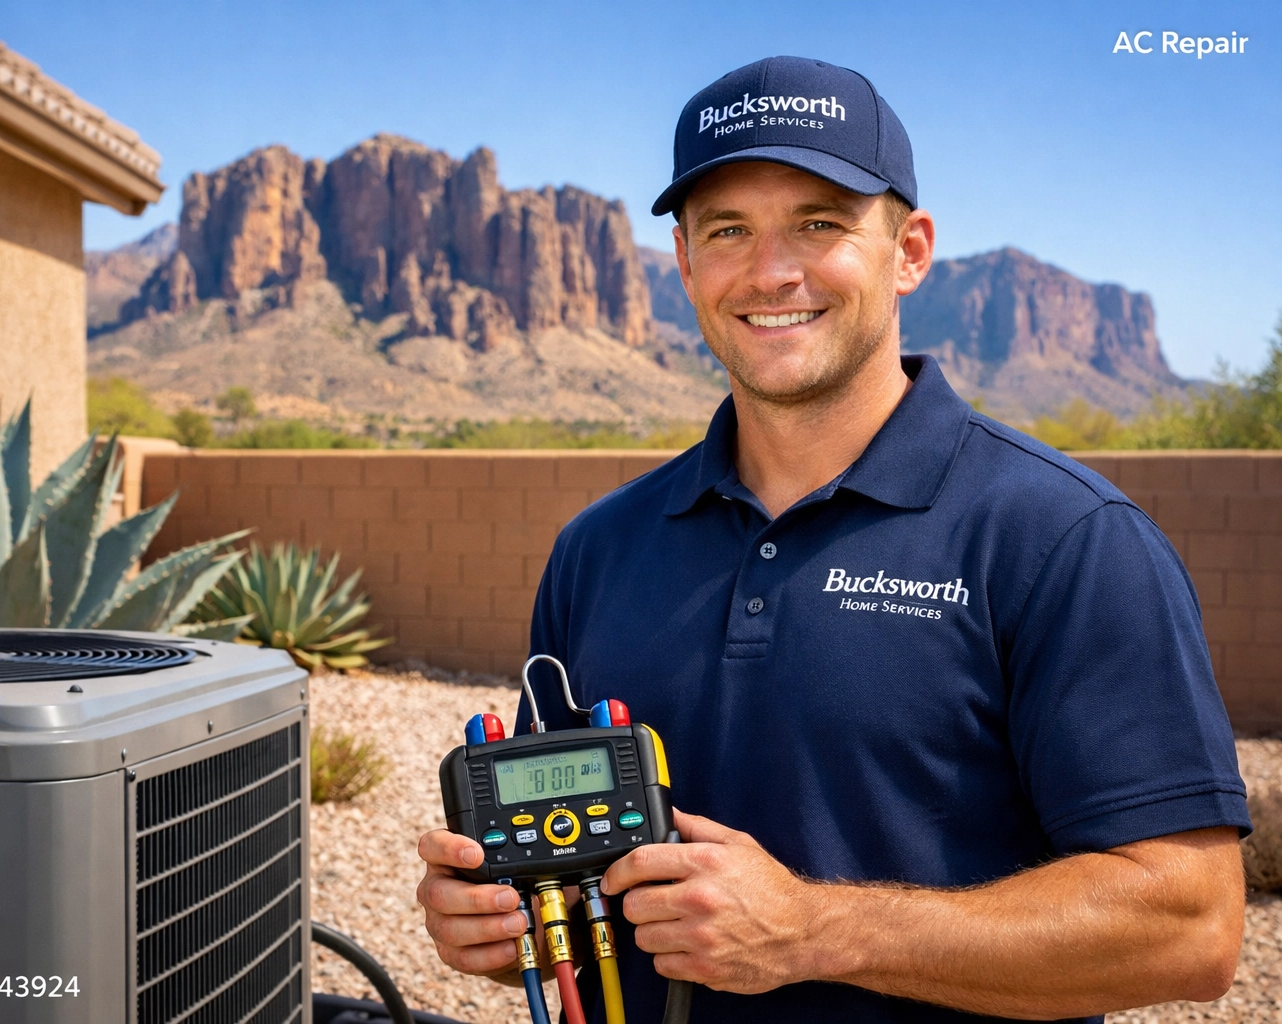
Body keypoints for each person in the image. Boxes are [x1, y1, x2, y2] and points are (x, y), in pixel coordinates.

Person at [416, 55, 1250, 1023]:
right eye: (728, 230)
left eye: (820, 223)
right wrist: (491, 918)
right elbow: (558, 881)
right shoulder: (597, 550)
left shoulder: (1065, 538)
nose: (772, 271)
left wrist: (818, 929)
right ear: (684, 263)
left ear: (909, 250)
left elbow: (1191, 927)